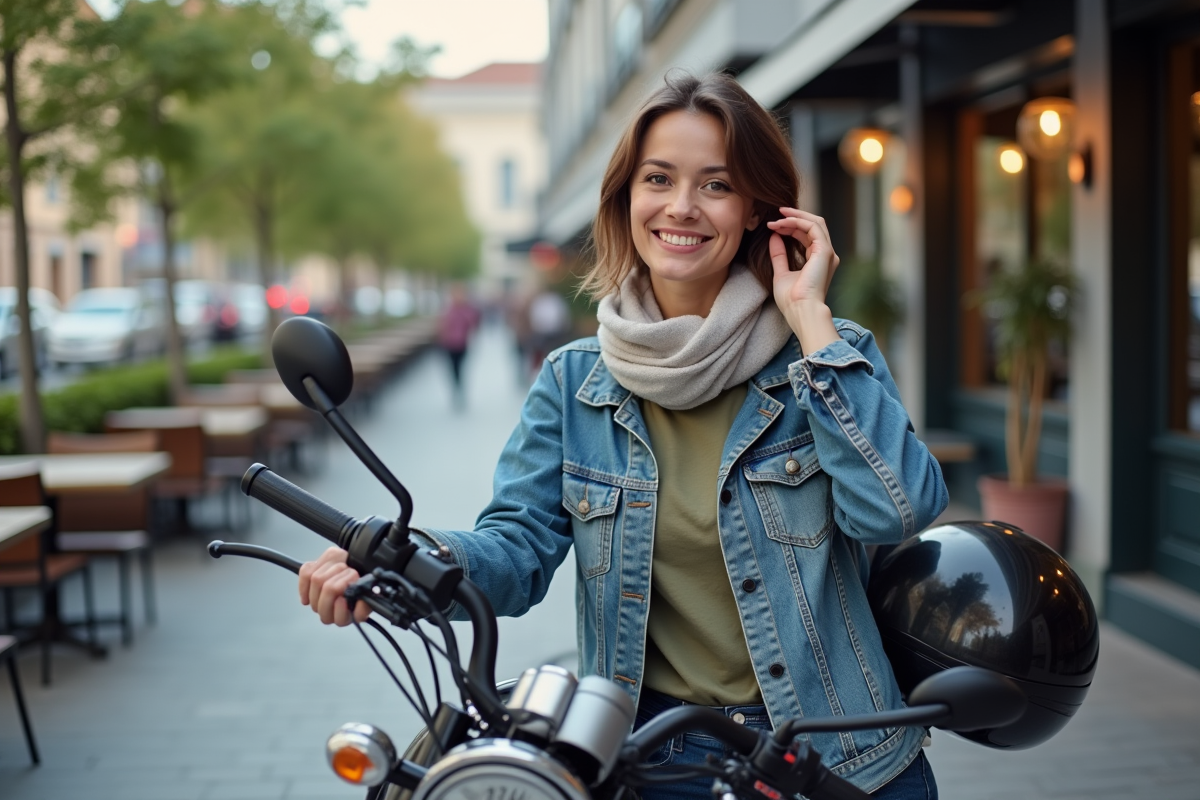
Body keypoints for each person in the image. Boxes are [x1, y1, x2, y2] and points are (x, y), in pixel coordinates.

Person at [299, 72, 947, 799]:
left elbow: (896, 511)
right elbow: (516, 549)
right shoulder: (574, 383)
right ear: (626, 198)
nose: (681, 207)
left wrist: (812, 321)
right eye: (659, 178)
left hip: (835, 758)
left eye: (716, 185)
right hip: (650, 759)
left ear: (760, 209)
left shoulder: (825, 357)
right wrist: (402, 561)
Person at [436, 283, 480, 409]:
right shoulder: (448, 309)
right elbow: (442, 325)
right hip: (449, 344)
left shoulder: (466, 310)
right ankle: (456, 389)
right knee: (452, 369)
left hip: (462, 344)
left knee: (460, 368)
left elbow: (473, 323)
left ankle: (460, 389)